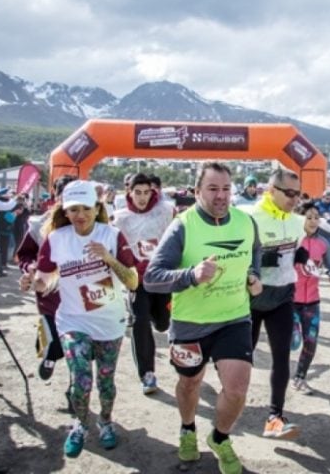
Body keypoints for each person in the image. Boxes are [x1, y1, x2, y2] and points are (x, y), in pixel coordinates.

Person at [144, 162, 261, 473]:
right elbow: (151, 278)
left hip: (234, 317)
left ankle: (220, 438)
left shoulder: (246, 222)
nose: (221, 195)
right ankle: (187, 428)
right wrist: (190, 275)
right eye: (212, 188)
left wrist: (254, 274)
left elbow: (255, 252)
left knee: (237, 389)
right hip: (190, 323)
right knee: (190, 382)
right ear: (197, 192)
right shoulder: (183, 226)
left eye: (225, 188)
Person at [33, 179, 138, 458]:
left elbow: (132, 281)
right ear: (64, 211)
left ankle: (104, 421)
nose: (80, 215)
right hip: (72, 321)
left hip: (109, 321)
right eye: (73, 209)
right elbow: (42, 278)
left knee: (106, 382)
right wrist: (33, 282)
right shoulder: (56, 238)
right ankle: (80, 423)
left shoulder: (111, 236)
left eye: (86, 208)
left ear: (97, 207)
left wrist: (108, 259)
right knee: (81, 379)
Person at [248, 168, 306, 440]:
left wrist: (302, 255)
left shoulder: (297, 222)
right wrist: (257, 266)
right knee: (241, 358)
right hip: (249, 299)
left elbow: (298, 249)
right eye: (290, 193)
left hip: (282, 296)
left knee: (282, 356)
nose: (295, 199)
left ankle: (275, 416)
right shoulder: (249, 218)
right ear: (272, 190)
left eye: (299, 194)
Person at [112, 173, 176, 394]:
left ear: (153, 192)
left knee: (163, 324)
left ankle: (168, 333)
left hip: (162, 278)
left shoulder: (166, 212)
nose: (141, 198)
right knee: (140, 321)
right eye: (137, 193)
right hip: (137, 280)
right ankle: (147, 374)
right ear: (129, 192)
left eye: (146, 192)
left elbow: (178, 239)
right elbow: (117, 247)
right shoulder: (121, 219)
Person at [17, 175, 75, 411]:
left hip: (80, 298)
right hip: (50, 296)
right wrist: (32, 268)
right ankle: (50, 356)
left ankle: (75, 392)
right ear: (56, 196)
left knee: (78, 347)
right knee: (55, 342)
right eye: (66, 197)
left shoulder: (93, 226)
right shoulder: (38, 226)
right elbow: (25, 255)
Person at [291, 202, 330, 395]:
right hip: (290, 301)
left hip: (312, 301)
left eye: (316, 217)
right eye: (309, 217)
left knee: (310, 341)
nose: (313, 221)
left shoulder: (323, 243)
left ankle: (300, 377)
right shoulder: (293, 240)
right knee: (294, 341)